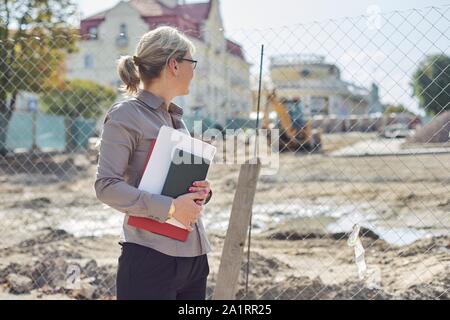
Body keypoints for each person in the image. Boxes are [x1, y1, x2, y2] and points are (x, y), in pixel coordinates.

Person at [94, 26, 213, 300]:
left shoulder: (177, 120)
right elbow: (106, 186)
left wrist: (200, 191)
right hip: (151, 259)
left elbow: (173, 183)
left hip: (194, 257)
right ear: (174, 64)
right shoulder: (126, 114)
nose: (194, 71)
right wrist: (171, 208)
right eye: (191, 62)